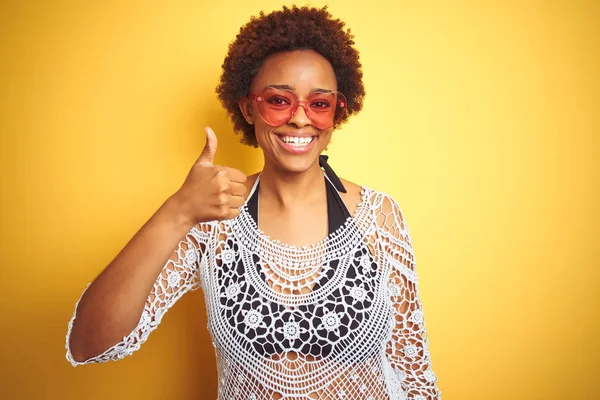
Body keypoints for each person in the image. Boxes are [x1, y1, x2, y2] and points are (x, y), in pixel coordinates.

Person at [65, 5, 441, 400]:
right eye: (279, 101)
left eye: (319, 103)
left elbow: (413, 372)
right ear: (247, 107)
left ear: (337, 112)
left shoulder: (379, 217)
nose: (300, 119)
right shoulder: (214, 218)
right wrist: (177, 211)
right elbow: (90, 343)